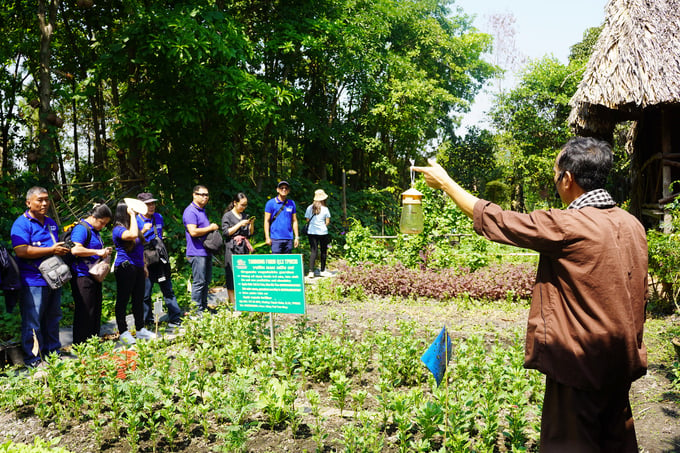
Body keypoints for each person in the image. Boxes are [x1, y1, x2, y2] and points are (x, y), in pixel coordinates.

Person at [413, 136, 647, 452]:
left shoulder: (569, 224)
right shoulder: (631, 224)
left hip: (578, 370)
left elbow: (501, 221)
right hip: (619, 365)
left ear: (568, 178)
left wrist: (446, 184)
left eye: (555, 173)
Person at [10, 187, 71, 366]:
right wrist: (52, 249)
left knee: (53, 317)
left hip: (53, 278)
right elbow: (21, 251)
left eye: (46, 199)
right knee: (33, 320)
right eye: (39, 200)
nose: (44, 203)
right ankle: (34, 359)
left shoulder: (51, 223)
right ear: (28, 203)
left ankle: (52, 353)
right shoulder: (21, 224)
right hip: (32, 280)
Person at [136, 192, 183, 327]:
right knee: (145, 293)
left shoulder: (158, 217)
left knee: (167, 289)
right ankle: (147, 321)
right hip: (144, 259)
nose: (151, 206)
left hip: (160, 258)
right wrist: (143, 231)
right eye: (148, 204)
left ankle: (175, 318)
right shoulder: (135, 221)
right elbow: (131, 243)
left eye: (153, 203)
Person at [112, 201, 156, 345]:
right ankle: (123, 331)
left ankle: (140, 329)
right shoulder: (118, 229)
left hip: (137, 267)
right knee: (123, 300)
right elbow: (131, 236)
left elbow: (140, 246)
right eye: (131, 211)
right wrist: (132, 215)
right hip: (125, 267)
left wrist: (144, 266)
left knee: (138, 299)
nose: (135, 213)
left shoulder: (133, 225)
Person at [70, 203, 113, 345]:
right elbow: (75, 250)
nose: (103, 226)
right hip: (82, 276)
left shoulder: (95, 231)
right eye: (102, 223)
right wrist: (97, 252)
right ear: (93, 217)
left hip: (94, 276)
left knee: (95, 311)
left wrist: (104, 252)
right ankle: (81, 345)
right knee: (85, 312)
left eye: (106, 224)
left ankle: (93, 342)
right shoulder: (81, 229)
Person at [183, 185, 219, 314]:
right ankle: (195, 311)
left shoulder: (201, 210)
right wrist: (210, 228)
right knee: (199, 282)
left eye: (207, 195)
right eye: (201, 194)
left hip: (205, 251)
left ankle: (203, 308)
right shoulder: (190, 211)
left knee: (206, 281)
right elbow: (193, 232)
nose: (205, 197)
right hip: (196, 252)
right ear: (194, 195)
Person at [221, 192, 255, 305]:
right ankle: (232, 303)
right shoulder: (227, 216)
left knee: (244, 273)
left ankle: (243, 300)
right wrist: (239, 224)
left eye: (246, 205)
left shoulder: (245, 215)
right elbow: (226, 232)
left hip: (243, 248)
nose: (244, 207)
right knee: (231, 274)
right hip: (232, 248)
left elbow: (250, 233)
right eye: (242, 205)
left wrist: (251, 224)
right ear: (235, 203)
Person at [264, 181, 299, 254]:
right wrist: (267, 237)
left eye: (286, 188)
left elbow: (294, 220)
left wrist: (296, 237)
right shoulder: (270, 203)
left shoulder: (291, 203)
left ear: (288, 191)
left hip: (288, 238)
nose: (284, 190)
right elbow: (266, 221)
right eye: (281, 188)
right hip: (276, 238)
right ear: (277, 189)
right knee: (276, 262)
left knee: (287, 262)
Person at [304, 189, 332, 278]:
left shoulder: (309, 207)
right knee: (323, 251)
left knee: (313, 251)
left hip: (311, 232)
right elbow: (327, 221)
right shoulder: (325, 209)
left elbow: (307, 220)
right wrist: (322, 225)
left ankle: (311, 271)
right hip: (323, 232)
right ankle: (323, 270)